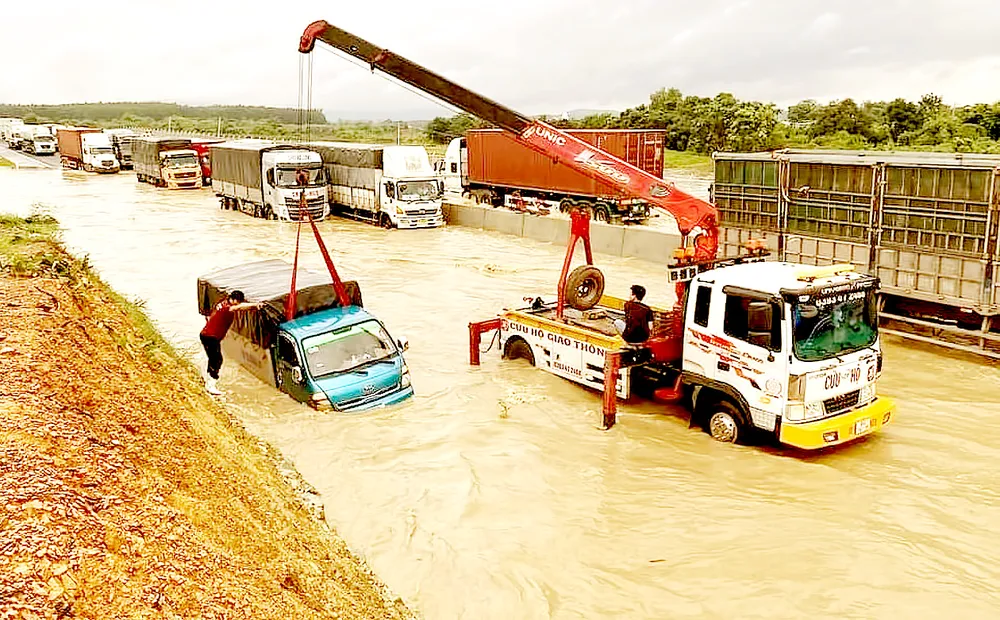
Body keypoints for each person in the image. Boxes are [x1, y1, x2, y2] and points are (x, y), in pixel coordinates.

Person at [200, 290, 259, 395]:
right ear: (235, 300)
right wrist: (255, 305)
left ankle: (208, 379)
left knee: (213, 358)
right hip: (210, 337)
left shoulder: (223, 302)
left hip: (207, 335)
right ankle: (210, 385)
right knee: (217, 360)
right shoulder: (228, 308)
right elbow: (238, 308)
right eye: (239, 302)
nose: (239, 304)